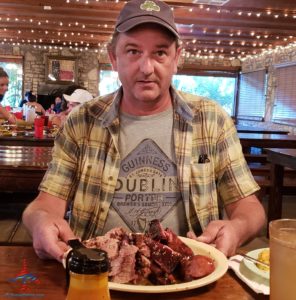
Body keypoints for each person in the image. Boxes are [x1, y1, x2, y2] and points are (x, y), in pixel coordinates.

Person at [23, 0, 265, 262]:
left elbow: (249, 208)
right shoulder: (82, 121)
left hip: (187, 277)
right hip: (97, 276)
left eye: (160, 52)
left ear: (176, 59)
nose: (147, 68)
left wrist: (237, 228)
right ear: (114, 58)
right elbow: (46, 203)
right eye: (133, 51)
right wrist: (40, 221)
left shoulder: (211, 120)